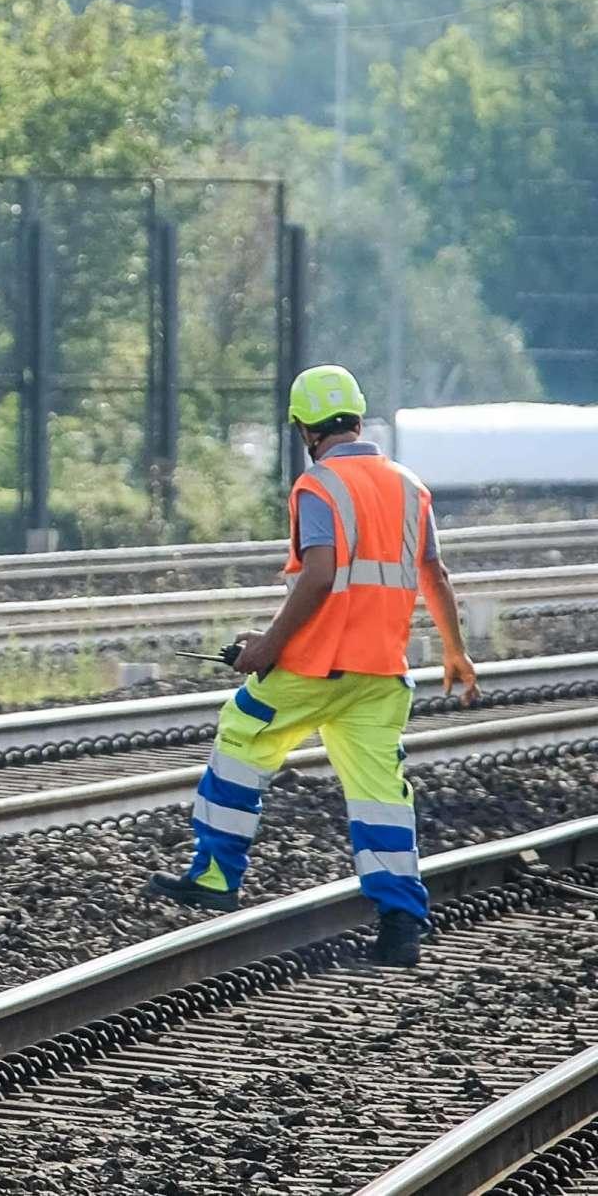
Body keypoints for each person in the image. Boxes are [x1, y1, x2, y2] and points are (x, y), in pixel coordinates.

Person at [147, 363, 478, 967]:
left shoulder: (318, 487)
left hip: (315, 670)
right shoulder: (410, 486)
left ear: (305, 430)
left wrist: (265, 650)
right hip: (381, 674)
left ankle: (217, 875)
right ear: (356, 418)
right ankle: (401, 923)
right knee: (380, 796)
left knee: (242, 735)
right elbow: (435, 572)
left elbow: (323, 575)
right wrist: (455, 651)